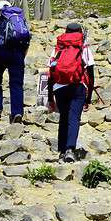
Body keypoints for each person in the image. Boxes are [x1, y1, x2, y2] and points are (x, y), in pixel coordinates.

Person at [46, 22, 95, 162]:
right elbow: (91, 74)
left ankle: (61, 151)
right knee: (74, 118)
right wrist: (88, 97)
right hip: (78, 86)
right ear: (80, 31)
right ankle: (70, 149)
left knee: (64, 118)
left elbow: (50, 72)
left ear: (65, 31)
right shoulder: (83, 47)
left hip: (59, 87)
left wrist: (50, 97)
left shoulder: (59, 46)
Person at [0, 2, 31, 122]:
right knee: (16, 84)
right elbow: (27, 39)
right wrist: (22, 56)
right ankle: (17, 113)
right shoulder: (21, 19)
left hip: (1, 52)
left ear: (0, 10)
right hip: (18, 54)